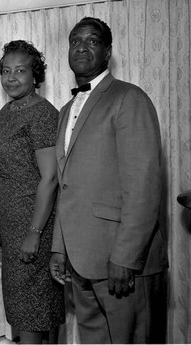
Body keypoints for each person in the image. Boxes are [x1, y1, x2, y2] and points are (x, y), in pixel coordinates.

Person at [49, 17, 168, 343]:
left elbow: (143, 186)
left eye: (92, 41)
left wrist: (126, 258)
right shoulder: (65, 110)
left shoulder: (129, 99)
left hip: (121, 260)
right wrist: (60, 248)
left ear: (107, 52)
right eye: (75, 41)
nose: (81, 47)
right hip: (80, 259)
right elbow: (66, 184)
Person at [0, 40, 64, 344]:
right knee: (22, 305)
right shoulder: (7, 111)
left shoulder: (42, 113)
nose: (11, 77)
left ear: (35, 76)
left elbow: (50, 178)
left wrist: (34, 232)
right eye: (6, 71)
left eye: (20, 70)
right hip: (11, 219)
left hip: (36, 217)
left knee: (35, 305)